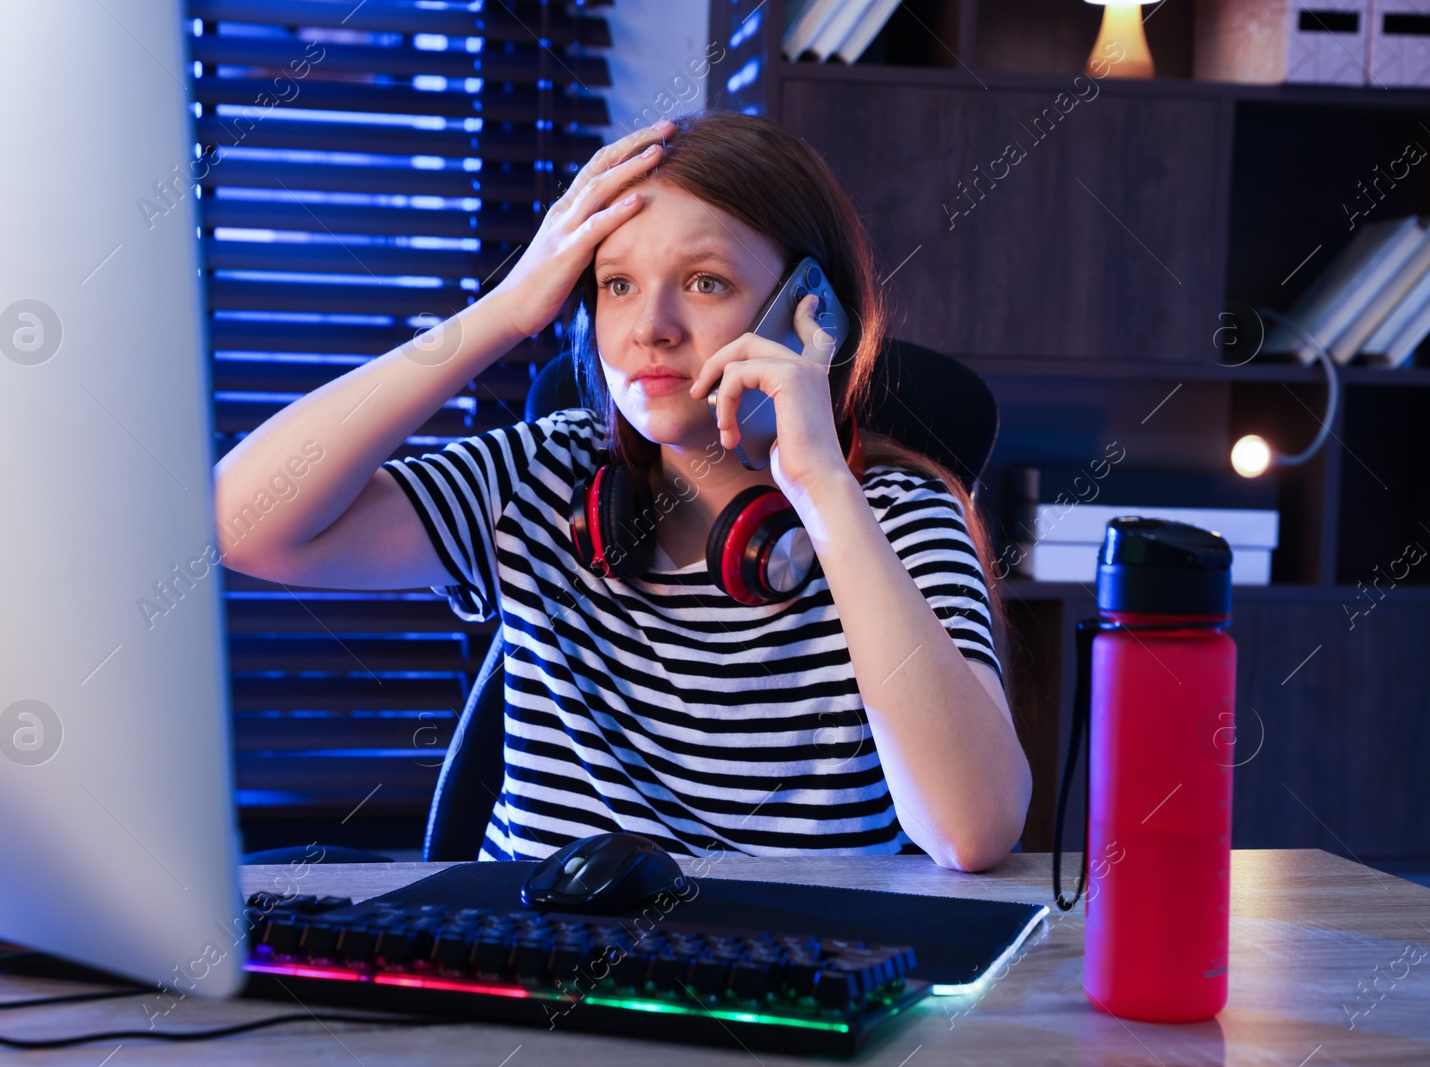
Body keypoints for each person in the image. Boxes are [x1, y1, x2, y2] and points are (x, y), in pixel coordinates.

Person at [214, 110, 1032, 872]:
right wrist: (502, 314)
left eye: (706, 281)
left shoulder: (892, 517)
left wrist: (822, 487)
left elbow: (973, 830)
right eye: (617, 285)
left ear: (805, 311)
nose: (652, 327)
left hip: (793, 995)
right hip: (530, 991)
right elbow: (241, 524)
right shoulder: (541, 477)